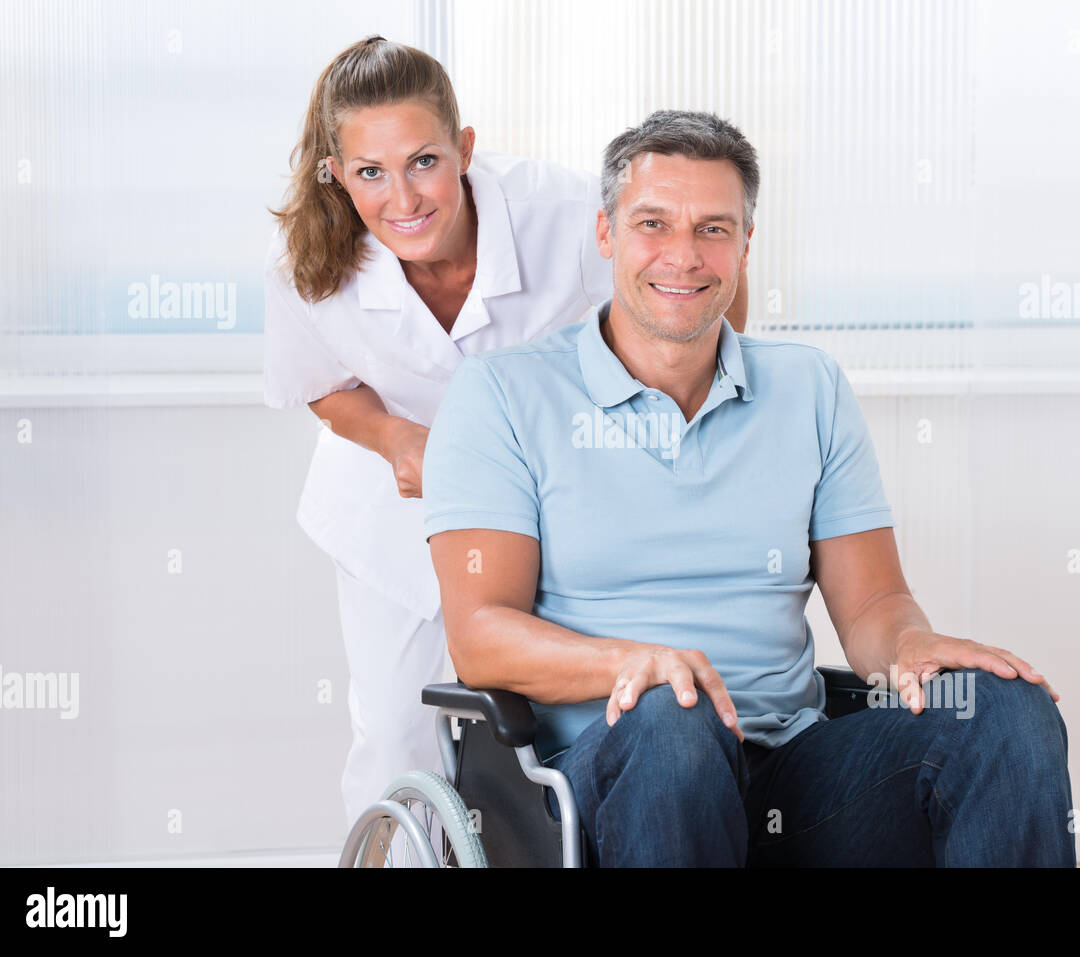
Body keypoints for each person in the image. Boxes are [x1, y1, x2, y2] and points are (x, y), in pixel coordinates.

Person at [421, 109, 1076, 866]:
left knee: (1004, 711)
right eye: (653, 224)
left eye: (713, 229)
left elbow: (870, 605)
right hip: (606, 776)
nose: (683, 256)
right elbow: (479, 635)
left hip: (790, 779)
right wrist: (639, 665)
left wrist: (910, 643)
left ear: (744, 245)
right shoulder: (504, 395)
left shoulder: (808, 387)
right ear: (605, 235)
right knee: (673, 716)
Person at [264, 36, 752, 836]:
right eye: (370, 173)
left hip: (561, 491)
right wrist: (393, 437)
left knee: (579, 709)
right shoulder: (309, 265)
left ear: (464, 147)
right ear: (336, 173)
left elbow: (695, 289)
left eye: (423, 160)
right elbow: (319, 383)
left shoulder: (562, 217)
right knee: (396, 734)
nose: (404, 198)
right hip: (396, 512)